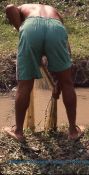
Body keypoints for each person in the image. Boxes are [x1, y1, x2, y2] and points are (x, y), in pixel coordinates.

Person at [4, 3, 84, 141]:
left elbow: (9, 7)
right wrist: (60, 82)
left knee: (24, 85)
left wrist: (21, 28)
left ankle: (18, 132)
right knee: (67, 83)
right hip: (56, 28)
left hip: (30, 28)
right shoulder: (55, 12)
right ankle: (72, 131)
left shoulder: (26, 7)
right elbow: (66, 51)